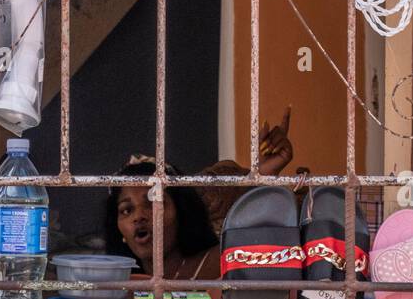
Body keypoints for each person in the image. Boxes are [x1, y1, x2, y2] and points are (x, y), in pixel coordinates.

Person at [104, 109, 295, 281]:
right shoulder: (119, 286)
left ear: (180, 209)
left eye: (153, 200)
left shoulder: (219, 263)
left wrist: (261, 177)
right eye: (126, 210)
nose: (139, 216)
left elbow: (265, 241)